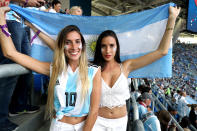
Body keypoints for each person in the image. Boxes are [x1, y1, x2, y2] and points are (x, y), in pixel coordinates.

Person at [0, 6, 101, 131]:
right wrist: (1, 18)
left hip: (85, 126)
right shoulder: (54, 69)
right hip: (59, 126)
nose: (74, 47)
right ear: (62, 46)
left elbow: (94, 111)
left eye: (77, 41)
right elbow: (10, 53)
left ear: (83, 45)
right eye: (68, 42)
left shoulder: (94, 70)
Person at [91, 6, 180, 131]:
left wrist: (172, 19)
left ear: (117, 47)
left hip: (120, 123)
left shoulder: (127, 66)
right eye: (103, 46)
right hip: (97, 122)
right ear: (98, 48)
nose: (108, 50)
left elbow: (162, 51)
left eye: (112, 45)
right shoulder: (92, 68)